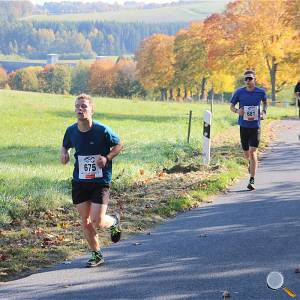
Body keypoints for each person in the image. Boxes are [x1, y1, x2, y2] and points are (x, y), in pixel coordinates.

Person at [61, 94, 123, 267]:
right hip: (80, 181)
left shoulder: (102, 130)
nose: (79, 109)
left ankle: (114, 222)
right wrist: (64, 152)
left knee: (97, 220)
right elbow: (65, 144)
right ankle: (97, 254)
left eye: (83, 106)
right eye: (77, 106)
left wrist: (107, 158)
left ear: (91, 110)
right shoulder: (71, 130)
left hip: (100, 180)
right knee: (86, 220)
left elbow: (119, 145)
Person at [230, 70, 267, 190]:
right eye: (245, 79)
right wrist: (237, 111)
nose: (247, 81)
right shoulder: (239, 92)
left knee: (252, 152)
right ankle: (250, 164)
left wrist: (264, 111)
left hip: (255, 127)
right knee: (246, 153)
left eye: (250, 78)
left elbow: (265, 102)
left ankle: (252, 180)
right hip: (243, 126)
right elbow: (231, 106)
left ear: (254, 79)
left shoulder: (260, 92)